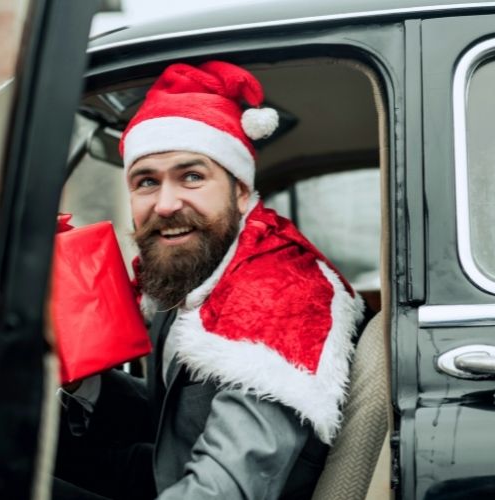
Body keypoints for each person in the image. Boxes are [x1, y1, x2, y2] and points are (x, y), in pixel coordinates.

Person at [54, 60, 366, 500]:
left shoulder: (278, 301)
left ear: (240, 190)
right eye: (147, 182)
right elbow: (177, 416)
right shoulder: (194, 272)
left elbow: (221, 492)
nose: (165, 204)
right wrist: (80, 384)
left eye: (192, 176)